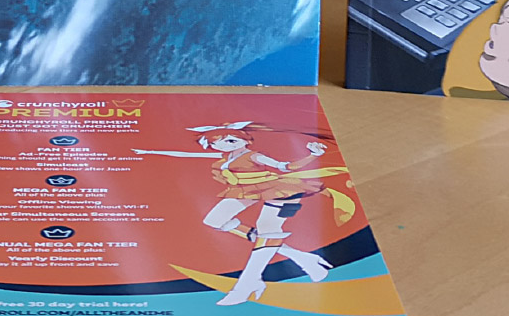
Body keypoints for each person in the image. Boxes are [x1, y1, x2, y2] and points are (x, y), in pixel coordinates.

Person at [131, 123, 356, 306]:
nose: (225, 144)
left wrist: (311, 155)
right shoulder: (226, 158)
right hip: (247, 191)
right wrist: (149, 152)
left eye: (232, 140)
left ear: (244, 140)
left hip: (280, 190)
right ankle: (302, 258)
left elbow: (285, 167)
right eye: (219, 141)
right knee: (214, 220)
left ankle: (247, 284)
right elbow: (183, 154)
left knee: (268, 229)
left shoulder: (254, 156)